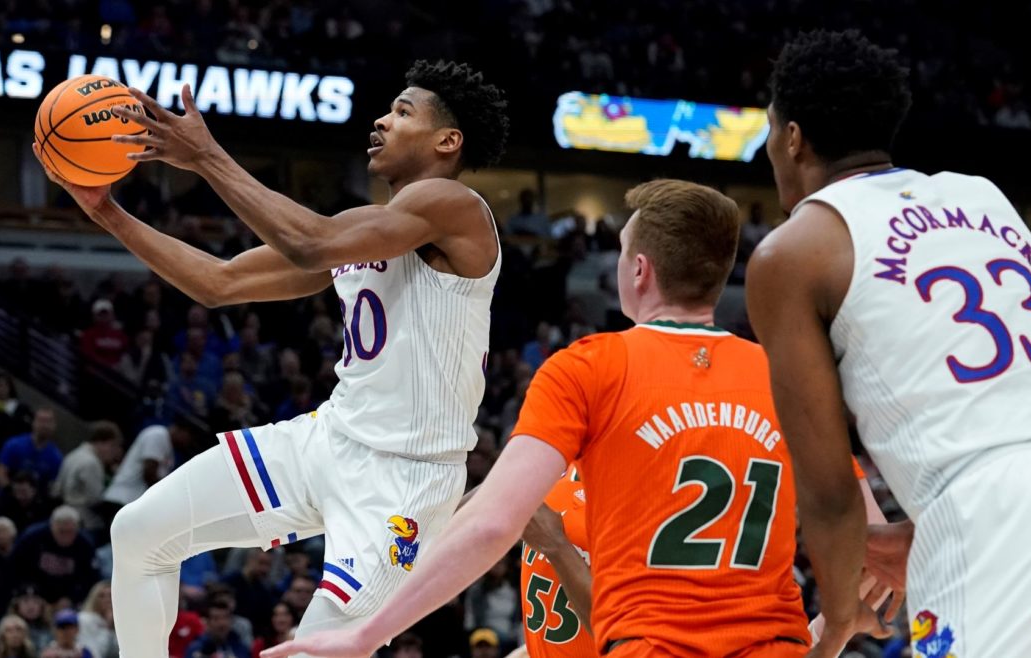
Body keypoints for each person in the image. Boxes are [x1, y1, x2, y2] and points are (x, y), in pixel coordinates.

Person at [34, 59, 509, 652]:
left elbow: (311, 245)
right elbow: (219, 282)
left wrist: (207, 157)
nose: (382, 120)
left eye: (402, 112)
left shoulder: (453, 204)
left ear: (448, 140)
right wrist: (106, 210)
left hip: (406, 478)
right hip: (330, 439)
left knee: (310, 650)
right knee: (138, 532)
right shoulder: (364, 227)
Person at [259, 180, 818, 658]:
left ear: (640, 270)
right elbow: (859, 531)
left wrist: (366, 635)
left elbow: (493, 524)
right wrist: (834, 627)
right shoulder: (783, 375)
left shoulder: (593, 367)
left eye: (623, 251)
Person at [745, 29, 1031, 658]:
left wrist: (841, 619)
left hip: (1003, 525)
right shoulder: (982, 195)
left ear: (792, 138)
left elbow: (828, 491)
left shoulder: (790, 252)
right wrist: (931, 524)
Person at [516, 472, 594, 658]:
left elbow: (621, 627)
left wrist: (557, 546)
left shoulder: (635, 505)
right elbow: (491, 494)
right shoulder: (551, 470)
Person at [11, 506, 98, 605]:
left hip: (68, 595)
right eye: (61, 531)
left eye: (70, 532)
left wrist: (72, 598)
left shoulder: (85, 544)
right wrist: (32, 594)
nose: (65, 536)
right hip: (34, 592)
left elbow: (90, 579)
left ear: (77, 528)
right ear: (52, 526)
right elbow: (15, 568)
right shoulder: (32, 538)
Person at [102, 418, 196, 508]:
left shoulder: (169, 448)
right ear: (181, 431)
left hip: (129, 502)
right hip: (120, 499)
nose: (188, 442)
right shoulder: (158, 434)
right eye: (189, 437)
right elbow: (149, 474)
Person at [51, 422, 124, 531]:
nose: (114, 452)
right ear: (103, 443)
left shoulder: (73, 454)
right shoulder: (92, 462)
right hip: (84, 521)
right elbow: (95, 498)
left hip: (65, 512)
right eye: (113, 446)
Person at [0, 408, 62, 493]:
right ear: (33, 423)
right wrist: (12, 493)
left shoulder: (56, 457)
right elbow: (0, 473)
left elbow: (52, 486)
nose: (44, 425)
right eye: (41, 420)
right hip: (8, 496)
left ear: (54, 426)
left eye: (48, 422)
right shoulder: (14, 444)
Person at [183, 601, 249, 658]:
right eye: (216, 618)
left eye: (225, 617)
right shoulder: (197, 649)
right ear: (208, 623)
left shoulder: (241, 648)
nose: (222, 623)